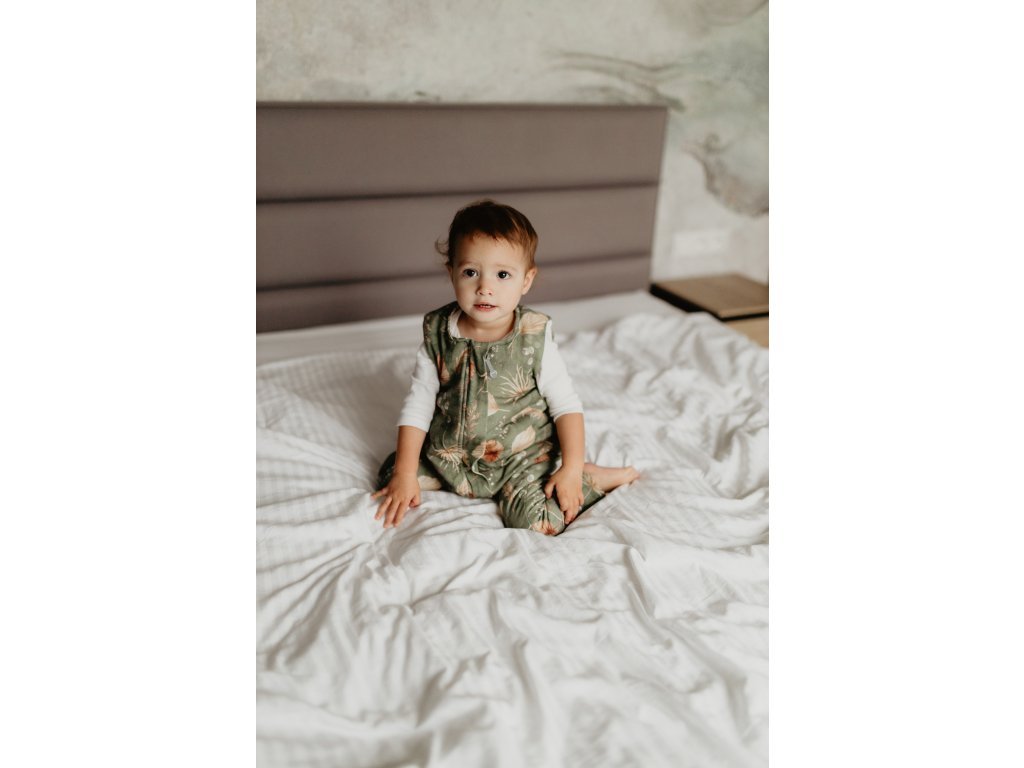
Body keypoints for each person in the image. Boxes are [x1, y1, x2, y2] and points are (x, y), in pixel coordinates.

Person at [371, 200, 638, 534]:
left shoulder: (534, 335)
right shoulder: (438, 332)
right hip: (452, 455)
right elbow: (419, 403)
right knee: (392, 475)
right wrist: (405, 474)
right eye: (471, 272)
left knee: (537, 521)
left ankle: (588, 477)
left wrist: (570, 468)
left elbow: (566, 405)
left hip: (520, 458)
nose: (485, 287)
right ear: (451, 272)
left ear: (526, 280)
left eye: (502, 275)